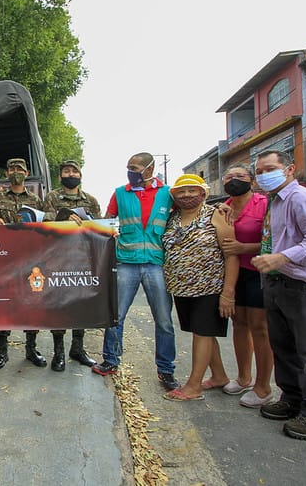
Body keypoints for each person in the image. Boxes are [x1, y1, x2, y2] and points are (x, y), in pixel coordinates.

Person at [251, 150, 306, 441]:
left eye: (269, 168)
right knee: (284, 347)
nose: (263, 175)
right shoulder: (275, 202)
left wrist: (282, 258)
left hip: (303, 285)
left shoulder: (302, 198)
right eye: (259, 170)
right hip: (277, 284)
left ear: (289, 169)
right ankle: (293, 398)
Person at [94, 152, 179, 391]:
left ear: (150, 169)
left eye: (135, 167)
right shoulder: (120, 193)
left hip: (156, 264)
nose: (130, 171)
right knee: (115, 316)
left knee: (163, 321)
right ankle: (111, 360)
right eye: (128, 167)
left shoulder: (167, 194)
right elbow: (106, 223)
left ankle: (166, 369)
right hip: (126, 262)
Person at [160, 175, 238, 401]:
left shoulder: (216, 215)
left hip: (210, 287)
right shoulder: (171, 218)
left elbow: (231, 255)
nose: (186, 195)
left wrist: (228, 293)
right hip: (181, 288)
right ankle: (219, 376)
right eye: (181, 192)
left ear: (203, 193)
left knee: (203, 332)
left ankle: (194, 386)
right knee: (202, 331)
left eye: (192, 190)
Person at [215, 164, 276, 407]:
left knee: (260, 327)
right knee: (238, 323)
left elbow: (276, 240)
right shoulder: (223, 207)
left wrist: (244, 248)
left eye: (240, 176)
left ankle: (263, 387)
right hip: (232, 274)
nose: (233, 180)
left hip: (258, 272)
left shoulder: (265, 204)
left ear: (252, 181)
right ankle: (243, 377)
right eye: (229, 177)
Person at [0, 158, 46, 369]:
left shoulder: (37, 200)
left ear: (26, 172)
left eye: (19, 168)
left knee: (31, 303)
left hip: (31, 260)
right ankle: (2, 351)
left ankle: (31, 348)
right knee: (5, 304)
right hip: (5, 261)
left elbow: (47, 225)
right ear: (7, 173)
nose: (15, 171)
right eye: (11, 168)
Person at [41, 160, 101, 370]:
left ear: (80, 175)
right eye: (66, 170)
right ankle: (58, 353)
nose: (70, 173)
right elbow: (44, 222)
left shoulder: (91, 200)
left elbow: (98, 228)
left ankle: (78, 348)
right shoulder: (51, 197)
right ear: (60, 176)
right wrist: (64, 216)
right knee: (59, 304)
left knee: (80, 304)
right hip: (57, 258)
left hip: (82, 259)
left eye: (74, 170)